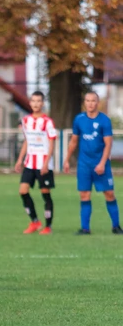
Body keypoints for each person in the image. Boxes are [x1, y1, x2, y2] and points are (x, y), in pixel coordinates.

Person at [64, 91, 123, 235]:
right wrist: (66, 159)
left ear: (97, 103)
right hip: (84, 164)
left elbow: (108, 144)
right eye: (88, 100)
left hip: (101, 164)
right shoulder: (79, 119)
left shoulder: (104, 121)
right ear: (85, 103)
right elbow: (74, 141)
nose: (90, 103)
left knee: (109, 193)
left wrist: (102, 163)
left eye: (93, 101)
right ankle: (85, 228)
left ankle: (116, 226)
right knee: (84, 194)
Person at [14, 91, 57, 234]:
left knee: (45, 194)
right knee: (23, 191)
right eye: (33, 101)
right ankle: (35, 222)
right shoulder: (26, 120)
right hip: (29, 163)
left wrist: (46, 163)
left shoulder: (47, 122)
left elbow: (51, 143)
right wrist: (20, 160)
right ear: (30, 103)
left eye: (39, 101)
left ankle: (48, 226)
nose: (36, 103)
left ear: (43, 103)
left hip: (43, 164)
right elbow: (27, 141)